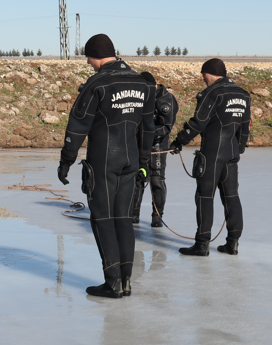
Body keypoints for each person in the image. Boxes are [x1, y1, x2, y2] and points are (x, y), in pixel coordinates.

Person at [57, 34, 156, 298]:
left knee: (102, 217)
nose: (88, 62)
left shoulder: (97, 83)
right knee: (123, 218)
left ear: (95, 55)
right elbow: (148, 128)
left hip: (104, 159)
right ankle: (126, 281)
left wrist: (66, 161)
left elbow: (78, 125)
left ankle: (112, 282)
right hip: (131, 159)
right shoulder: (142, 83)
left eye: (88, 57)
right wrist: (144, 162)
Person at [169, 58, 250, 257]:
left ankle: (202, 244)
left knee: (204, 197)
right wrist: (238, 149)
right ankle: (233, 243)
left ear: (211, 73)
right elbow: (245, 126)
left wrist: (179, 141)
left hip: (212, 153)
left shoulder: (212, 93)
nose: (202, 78)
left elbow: (199, 122)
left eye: (203, 74)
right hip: (231, 152)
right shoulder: (243, 94)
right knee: (231, 196)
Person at [131, 76, 179, 227]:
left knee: (157, 180)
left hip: (158, 144)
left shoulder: (166, 100)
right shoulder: (140, 97)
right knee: (139, 177)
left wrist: (145, 133)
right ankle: (133, 214)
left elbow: (166, 127)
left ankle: (157, 216)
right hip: (139, 143)